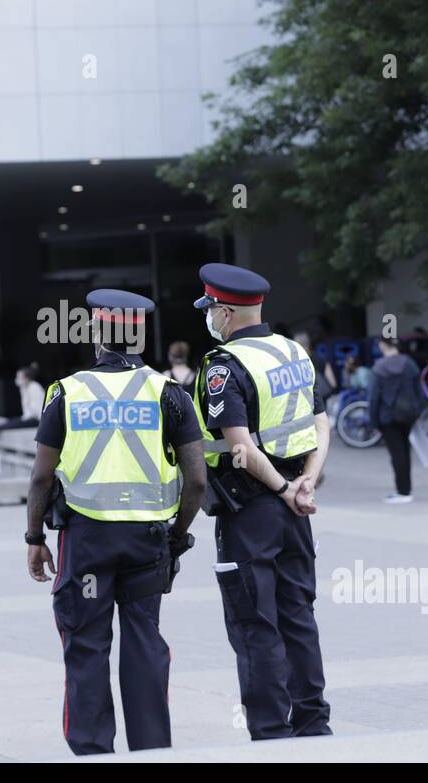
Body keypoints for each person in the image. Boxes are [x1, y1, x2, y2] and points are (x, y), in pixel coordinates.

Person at [26, 289, 206, 755]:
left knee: (86, 644)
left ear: (98, 337)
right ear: (139, 336)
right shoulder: (169, 393)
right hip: (149, 540)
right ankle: (151, 752)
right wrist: (178, 534)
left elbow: (42, 475)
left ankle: (92, 751)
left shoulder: (66, 392)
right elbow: (198, 481)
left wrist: (34, 537)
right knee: (145, 643)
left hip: (85, 542)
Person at [192, 263, 332, 741]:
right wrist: (305, 483)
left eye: (211, 309)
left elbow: (241, 447)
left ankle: (272, 736)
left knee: (256, 625)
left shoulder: (223, 365)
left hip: (251, 508)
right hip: (297, 508)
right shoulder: (294, 351)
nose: (210, 317)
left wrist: (280, 489)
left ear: (225, 312)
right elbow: (321, 424)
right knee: (298, 617)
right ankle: (314, 726)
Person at [368, 336, 424, 504]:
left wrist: (373, 421)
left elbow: (374, 397)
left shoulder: (379, 368)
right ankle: (406, 489)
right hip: (407, 415)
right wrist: (418, 412)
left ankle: (402, 491)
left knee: (396, 453)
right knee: (405, 451)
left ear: (383, 346)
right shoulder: (410, 364)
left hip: (387, 417)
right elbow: (419, 391)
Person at [0, 364, 45, 431]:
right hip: (28, 418)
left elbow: (38, 410)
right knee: (6, 423)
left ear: (26, 378)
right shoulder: (24, 388)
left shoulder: (34, 387)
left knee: (3, 427)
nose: (16, 380)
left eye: (18, 377)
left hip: (36, 419)